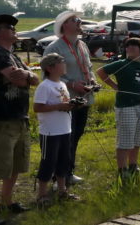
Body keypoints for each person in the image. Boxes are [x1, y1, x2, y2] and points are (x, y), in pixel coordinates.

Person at [0, 14, 39, 225]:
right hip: (1, 118)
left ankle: (6, 202)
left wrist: (25, 75)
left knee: (14, 166)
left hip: (19, 117)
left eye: (13, 26)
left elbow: (34, 79)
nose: (13, 28)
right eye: (8, 26)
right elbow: (20, 81)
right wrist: (25, 76)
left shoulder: (14, 56)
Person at [43, 11, 97, 185]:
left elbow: (89, 67)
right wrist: (72, 85)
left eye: (79, 20)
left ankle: (68, 172)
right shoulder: (54, 47)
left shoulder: (82, 45)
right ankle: (60, 174)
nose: (79, 22)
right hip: (66, 101)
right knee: (66, 138)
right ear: (64, 25)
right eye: (75, 20)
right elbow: (48, 75)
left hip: (84, 99)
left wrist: (92, 80)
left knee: (76, 135)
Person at [97, 38, 140, 179]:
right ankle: (122, 170)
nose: (129, 48)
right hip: (125, 106)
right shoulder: (122, 64)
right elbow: (101, 72)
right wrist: (114, 86)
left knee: (138, 139)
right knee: (125, 140)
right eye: (127, 46)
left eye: (133, 46)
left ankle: (133, 166)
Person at [34, 53, 79, 207]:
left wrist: (73, 104)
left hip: (65, 129)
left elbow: (63, 103)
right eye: (61, 62)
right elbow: (37, 107)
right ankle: (41, 195)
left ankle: (62, 191)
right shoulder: (44, 86)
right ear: (50, 68)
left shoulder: (62, 84)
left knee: (64, 161)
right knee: (48, 162)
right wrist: (60, 106)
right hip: (50, 132)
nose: (65, 65)